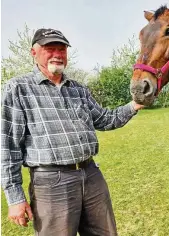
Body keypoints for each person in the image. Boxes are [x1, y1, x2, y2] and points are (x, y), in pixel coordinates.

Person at [1, 28, 144, 236]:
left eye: (62, 49)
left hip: (91, 175)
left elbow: (104, 119)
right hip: (51, 182)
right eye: (50, 48)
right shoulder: (18, 89)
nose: (57, 54)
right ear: (34, 52)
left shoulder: (78, 89)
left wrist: (134, 105)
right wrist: (15, 198)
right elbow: (8, 147)